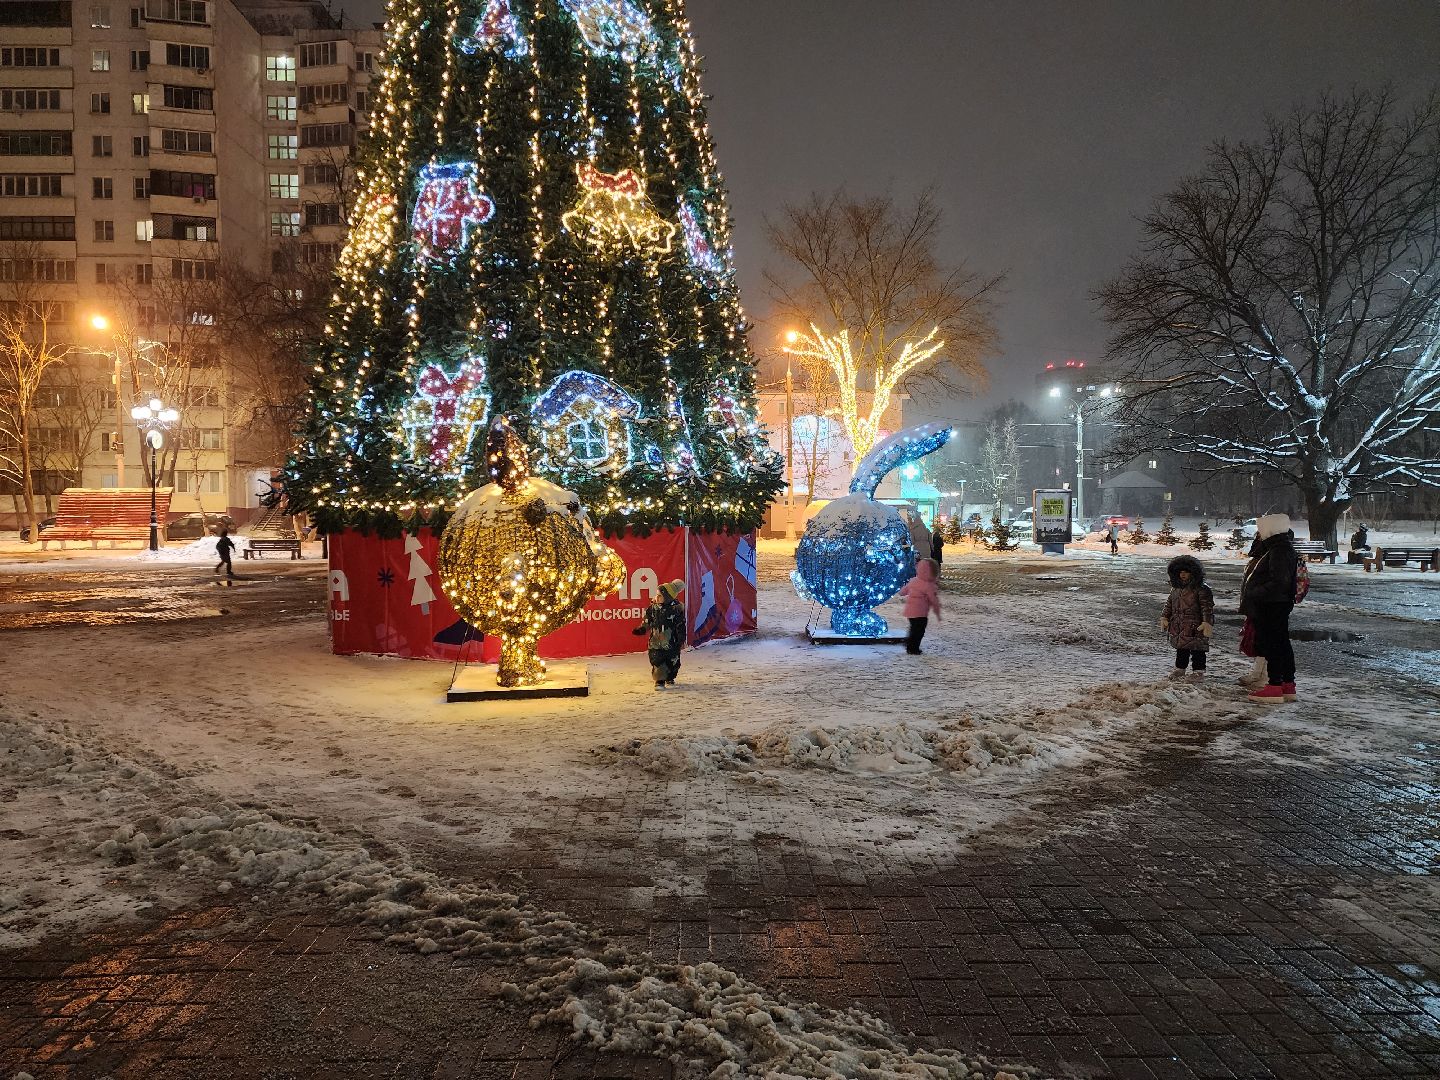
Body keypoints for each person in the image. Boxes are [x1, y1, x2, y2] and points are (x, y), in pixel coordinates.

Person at [1239, 514, 1299, 704]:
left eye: (1262, 529)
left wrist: (1255, 592)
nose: (1260, 532)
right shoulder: (1277, 547)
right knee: (1281, 642)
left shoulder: (1279, 549)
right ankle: (1287, 684)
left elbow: (1279, 581)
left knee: (1274, 644)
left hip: (1270, 604)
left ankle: (1274, 686)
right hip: (1274, 603)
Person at [1161, 554, 1214, 680]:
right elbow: (1169, 604)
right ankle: (1180, 668)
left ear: (1193, 573)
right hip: (1179, 624)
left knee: (1197, 650)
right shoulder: (1176, 589)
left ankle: (1198, 671)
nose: (1183, 575)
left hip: (1196, 625)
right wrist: (1164, 617)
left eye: (1186, 572)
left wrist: (1207, 622)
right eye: (1180, 572)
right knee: (1181, 649)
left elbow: (1207, 607)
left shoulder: (1201, 589)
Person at [633, 578, 686, 689]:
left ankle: (670, 676)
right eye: (656, 595)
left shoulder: (676, 609)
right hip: (655, 642)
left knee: (672, 661)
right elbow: (647, 621)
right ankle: (659, 680)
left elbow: (680, 625)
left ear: (667, 597)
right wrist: (642, 629)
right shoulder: (652, 609)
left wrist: (681, 637)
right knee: (657, 661)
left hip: (671, 642)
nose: (657, 598)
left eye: (660, 596)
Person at [1236, 536, 1267, 689]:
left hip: (1264, 606)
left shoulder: (1270, 556)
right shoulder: (1258, 557)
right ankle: (1257, 673)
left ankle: (1264, 676)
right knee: (1258, 640)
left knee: (1265, 641)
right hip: (1255, 606)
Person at [898, 558, 942, 655]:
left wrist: (901, 591)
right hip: (921, 613)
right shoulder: (929, 586)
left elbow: (903, 592)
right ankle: (914, 648)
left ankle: (910, 644)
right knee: (919, 631)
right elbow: (934, 600)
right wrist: (937, 613)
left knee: (913, 628)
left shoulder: (913, 581)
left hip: (910, 612)